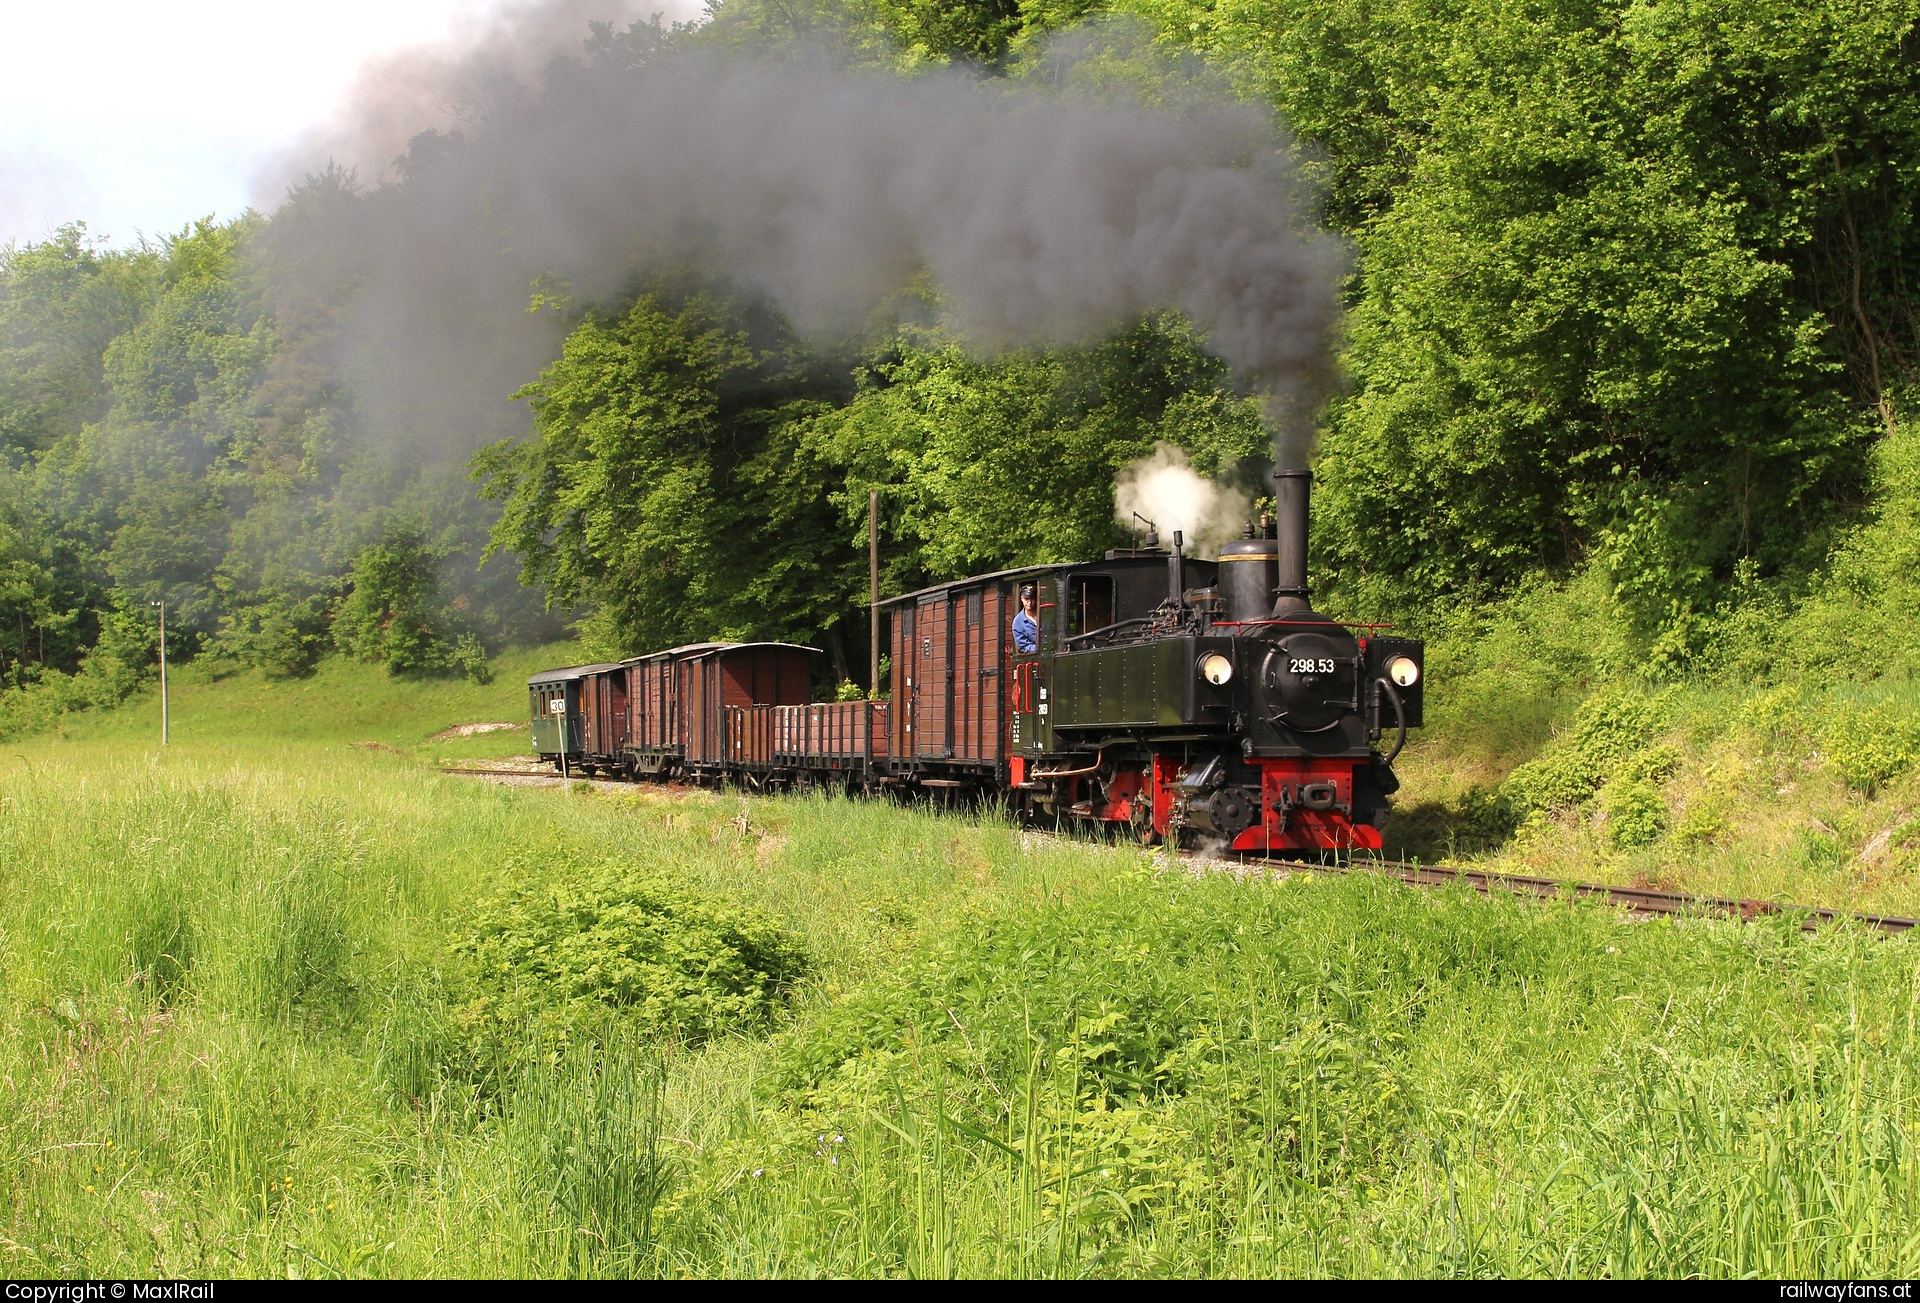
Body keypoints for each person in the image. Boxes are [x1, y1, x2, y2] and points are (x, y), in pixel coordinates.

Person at [1012, 584, 1039, 653]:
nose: (1029, 602)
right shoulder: (1018, 622)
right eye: (1026, 599)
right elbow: (1024, 646)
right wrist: (1040, 649)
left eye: (1032, 599)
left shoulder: (1045, 614)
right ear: (1022, 599)